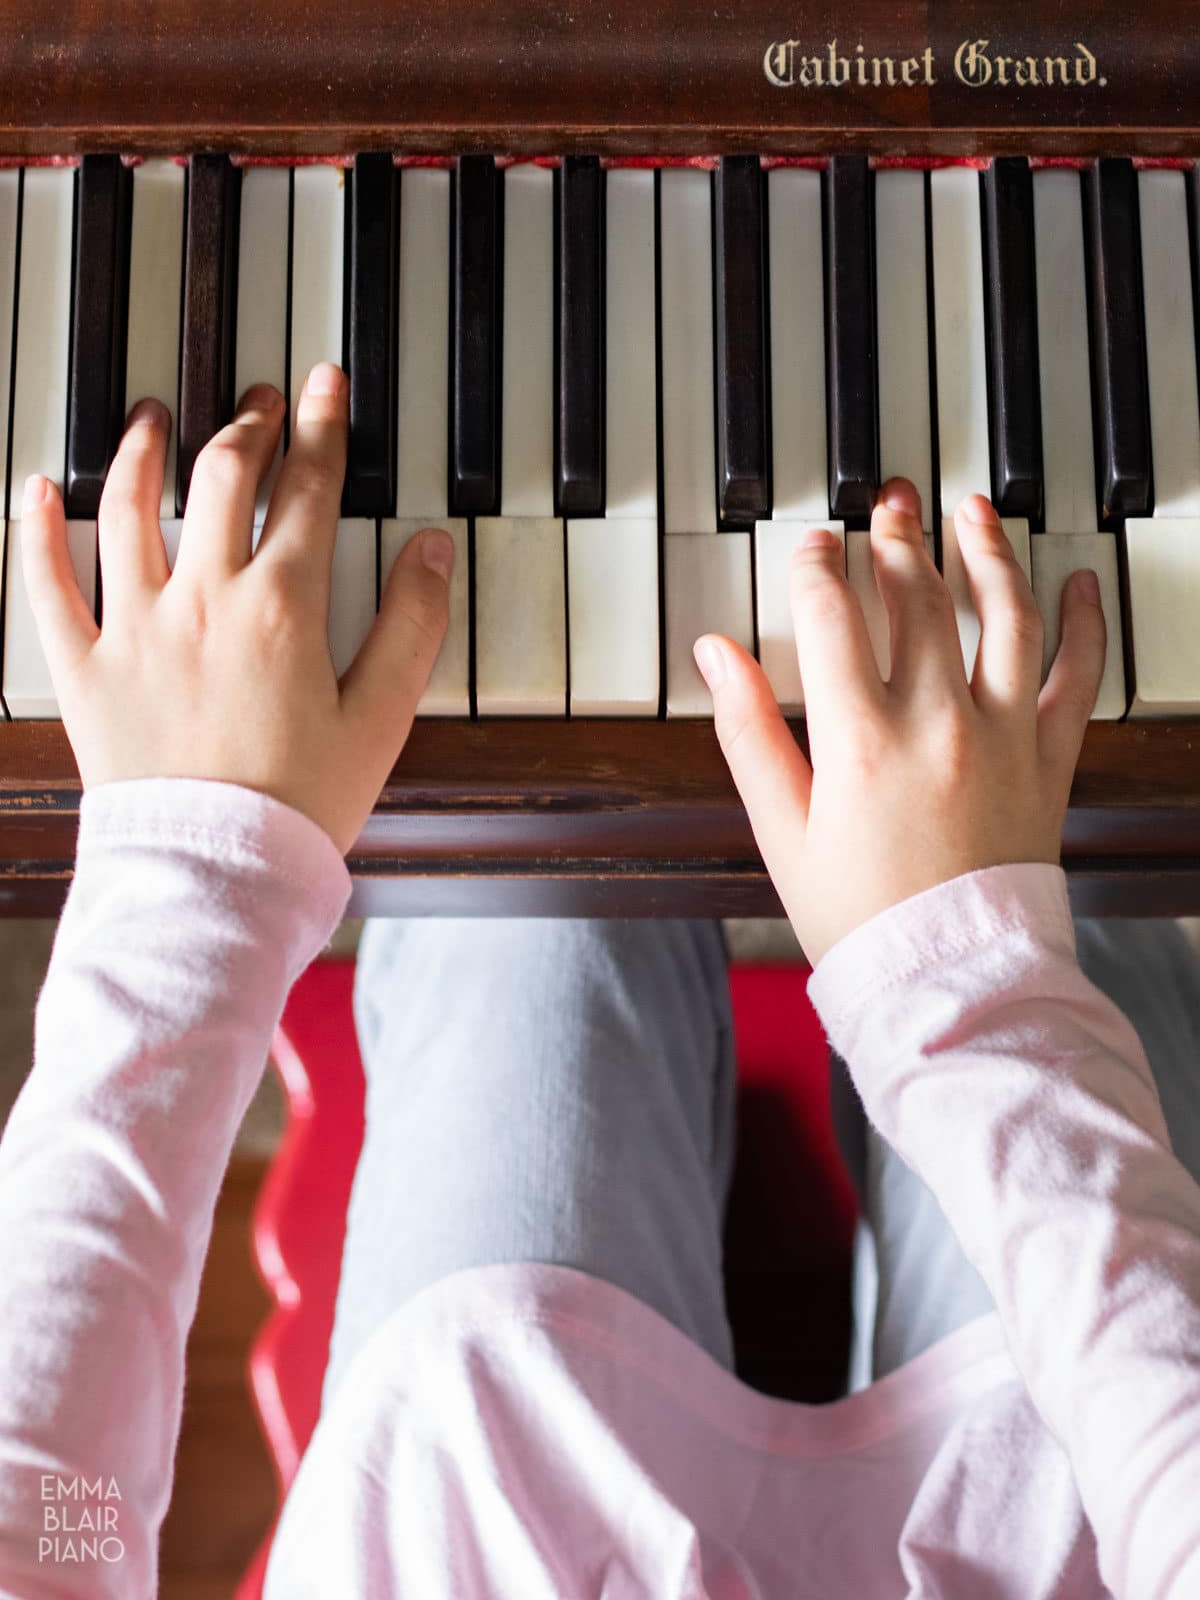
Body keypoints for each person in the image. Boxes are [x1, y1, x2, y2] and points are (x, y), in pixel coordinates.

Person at [0, 360, 1197, 1599]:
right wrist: (971, 977)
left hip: (492, 1485)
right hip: (1078, 1505)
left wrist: (201, 867)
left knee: (532, 885)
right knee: (1076, 878)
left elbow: (53, 1517)